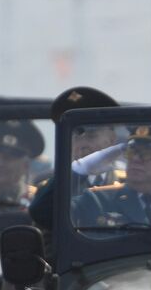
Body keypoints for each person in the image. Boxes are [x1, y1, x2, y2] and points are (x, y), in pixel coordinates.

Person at [27, 86, 121, 228]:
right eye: (74, 135)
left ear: (112, 139)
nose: (82, 144)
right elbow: (40, 215)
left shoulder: (130, 182)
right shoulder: (51, 185)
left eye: (91, 135)